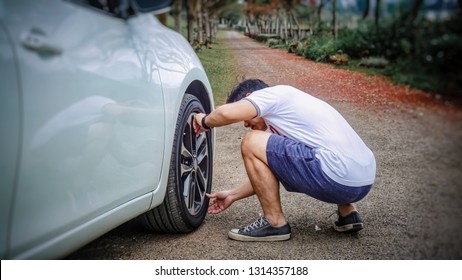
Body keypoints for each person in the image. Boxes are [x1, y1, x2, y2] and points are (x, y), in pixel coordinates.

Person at [193, 79, 376, 242]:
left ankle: (274, 223)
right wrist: (233, 195)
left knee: (251, 141)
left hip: (336, 175)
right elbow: (276, 169)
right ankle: (348, 214)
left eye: (245, 117)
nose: (245, 123)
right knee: (325, 149)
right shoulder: (297, 108)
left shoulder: (271, 95)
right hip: (362, 182)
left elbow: (226, 114)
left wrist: (204, 121)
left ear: (250, 97)